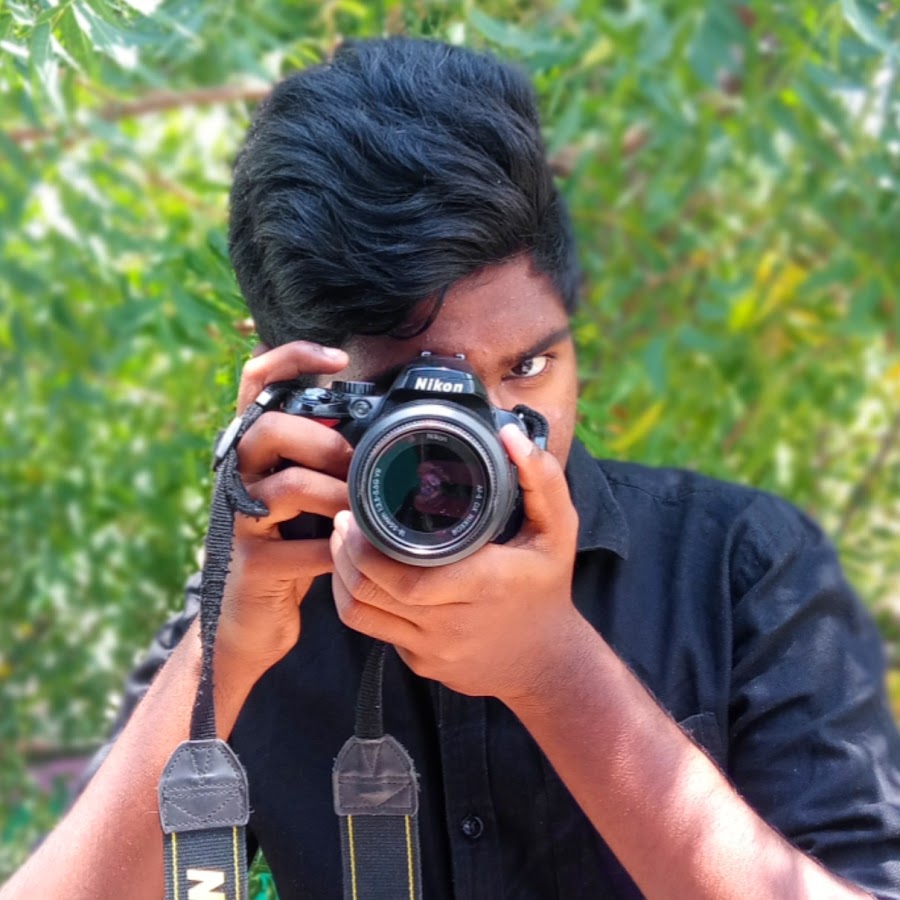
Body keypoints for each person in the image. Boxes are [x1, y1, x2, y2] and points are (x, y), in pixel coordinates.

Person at [3, 36, 899, 900]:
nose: (481, 444)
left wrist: (558, 675)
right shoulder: (255, 599)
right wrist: (224, 653)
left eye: (528, 368)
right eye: (408, 398)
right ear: (292, 390)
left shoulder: (740, 567)